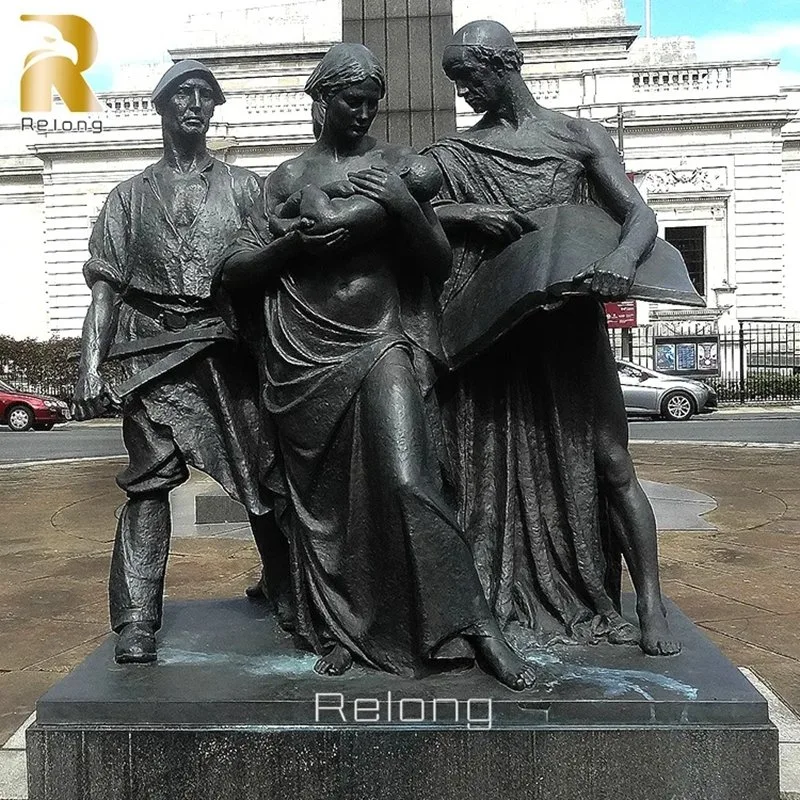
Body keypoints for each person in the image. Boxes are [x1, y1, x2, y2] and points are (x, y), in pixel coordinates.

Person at [220, 43, 536, 690]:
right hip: (298, 355)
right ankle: (347, 631)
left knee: (407, 476)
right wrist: (289, 242)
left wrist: (399, 203)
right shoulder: (282, 180)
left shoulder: (396, 165)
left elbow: (437, 262)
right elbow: (235, 270)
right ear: (321, 99)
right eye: (351, 100)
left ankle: (477, 626)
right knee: (329, 507)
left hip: (377, 340)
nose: (363, 113)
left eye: (372, 102)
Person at [424, 21, 680, 656]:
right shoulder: (458, 153)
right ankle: (502, 596)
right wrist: (464, 213)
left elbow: (639, 213)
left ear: (505, 64)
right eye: (455, 80)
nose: (464, 92)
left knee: (612, 461)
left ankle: (647, 598)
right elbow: (409, 210)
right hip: (496, 330)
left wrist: (622, 258)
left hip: (568, 326)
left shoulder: (577, 135)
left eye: (469, 76)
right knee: (484, 471)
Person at [72, 60, 287, 663]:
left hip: (226, 354)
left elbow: (276, 274)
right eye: (181, 96)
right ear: (162, 108)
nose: (193, 105)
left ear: (214, 109)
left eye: (203, 96)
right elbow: (105, 291)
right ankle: (137, 618)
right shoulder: (127, 199)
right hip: (151, 357)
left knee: (264, 477)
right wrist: (92, 365)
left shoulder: (247, 189)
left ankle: (286, 588)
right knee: (148, 486)